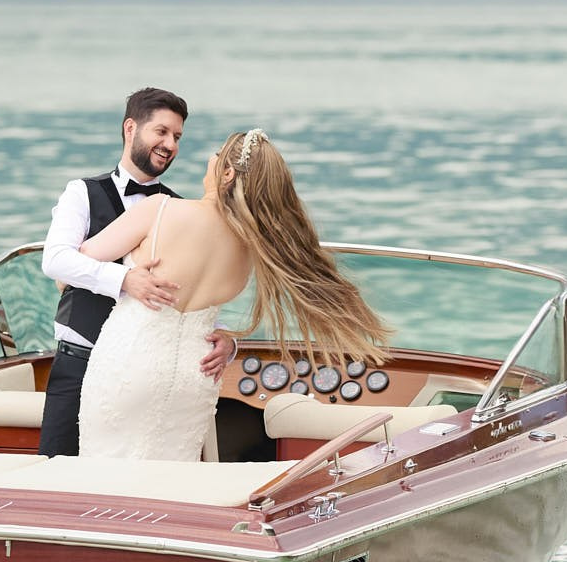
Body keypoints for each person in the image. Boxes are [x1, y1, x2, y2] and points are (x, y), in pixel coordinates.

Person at [75, 129, 391, 461]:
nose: (210, 159)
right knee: (172, 480)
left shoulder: (161, 209)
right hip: (196, 375)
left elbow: (81, 259)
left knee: (104, 473)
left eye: (217, 153)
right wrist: (230, 341)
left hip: (129, 363)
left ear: (227, 173)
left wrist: (125, 277)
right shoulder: (250, 247)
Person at [37, 88, 234, 456]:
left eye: (177, 137)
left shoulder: (178, 208)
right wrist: (124, 280)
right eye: (161, 131)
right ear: (131, 128)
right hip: (79, 362)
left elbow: (192, 292)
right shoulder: (82, 192)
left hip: (144, 377)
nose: (170, 144)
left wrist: (228, 342)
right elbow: (56, 260)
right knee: (58, 477)